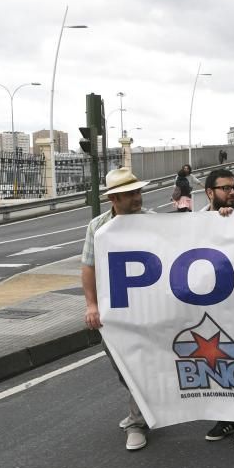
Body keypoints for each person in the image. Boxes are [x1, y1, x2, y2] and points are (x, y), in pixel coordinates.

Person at [81, 168, 153, 451]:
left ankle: (137, 423)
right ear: (114, 198)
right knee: (122, 367)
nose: (138, 198)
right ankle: (145, 409)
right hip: (115, 312)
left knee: (140, 365)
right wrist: (91, 305)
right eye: (131, 194)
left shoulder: (154, 223)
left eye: (138, 192)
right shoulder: (98, 227)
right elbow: (89, 267)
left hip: (148, 309)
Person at [200, 169, 234, 445]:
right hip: (210, 307)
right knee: (215, 362)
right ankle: (225, 418)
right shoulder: (194, 223)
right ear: (210, 193)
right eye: (225, 188)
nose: (232, 193)